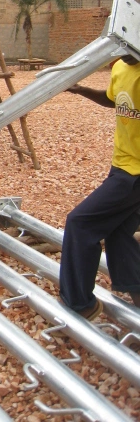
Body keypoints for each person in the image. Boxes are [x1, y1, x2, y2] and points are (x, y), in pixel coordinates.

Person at [59, 54, 140, 319]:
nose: (119, 51)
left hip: (134, 174)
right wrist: (81, 90)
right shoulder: (119, 67)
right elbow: (112, 99)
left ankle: (81, 304)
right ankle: (136, 289)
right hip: (121, 164)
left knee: (80, 223)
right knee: (120, 230)